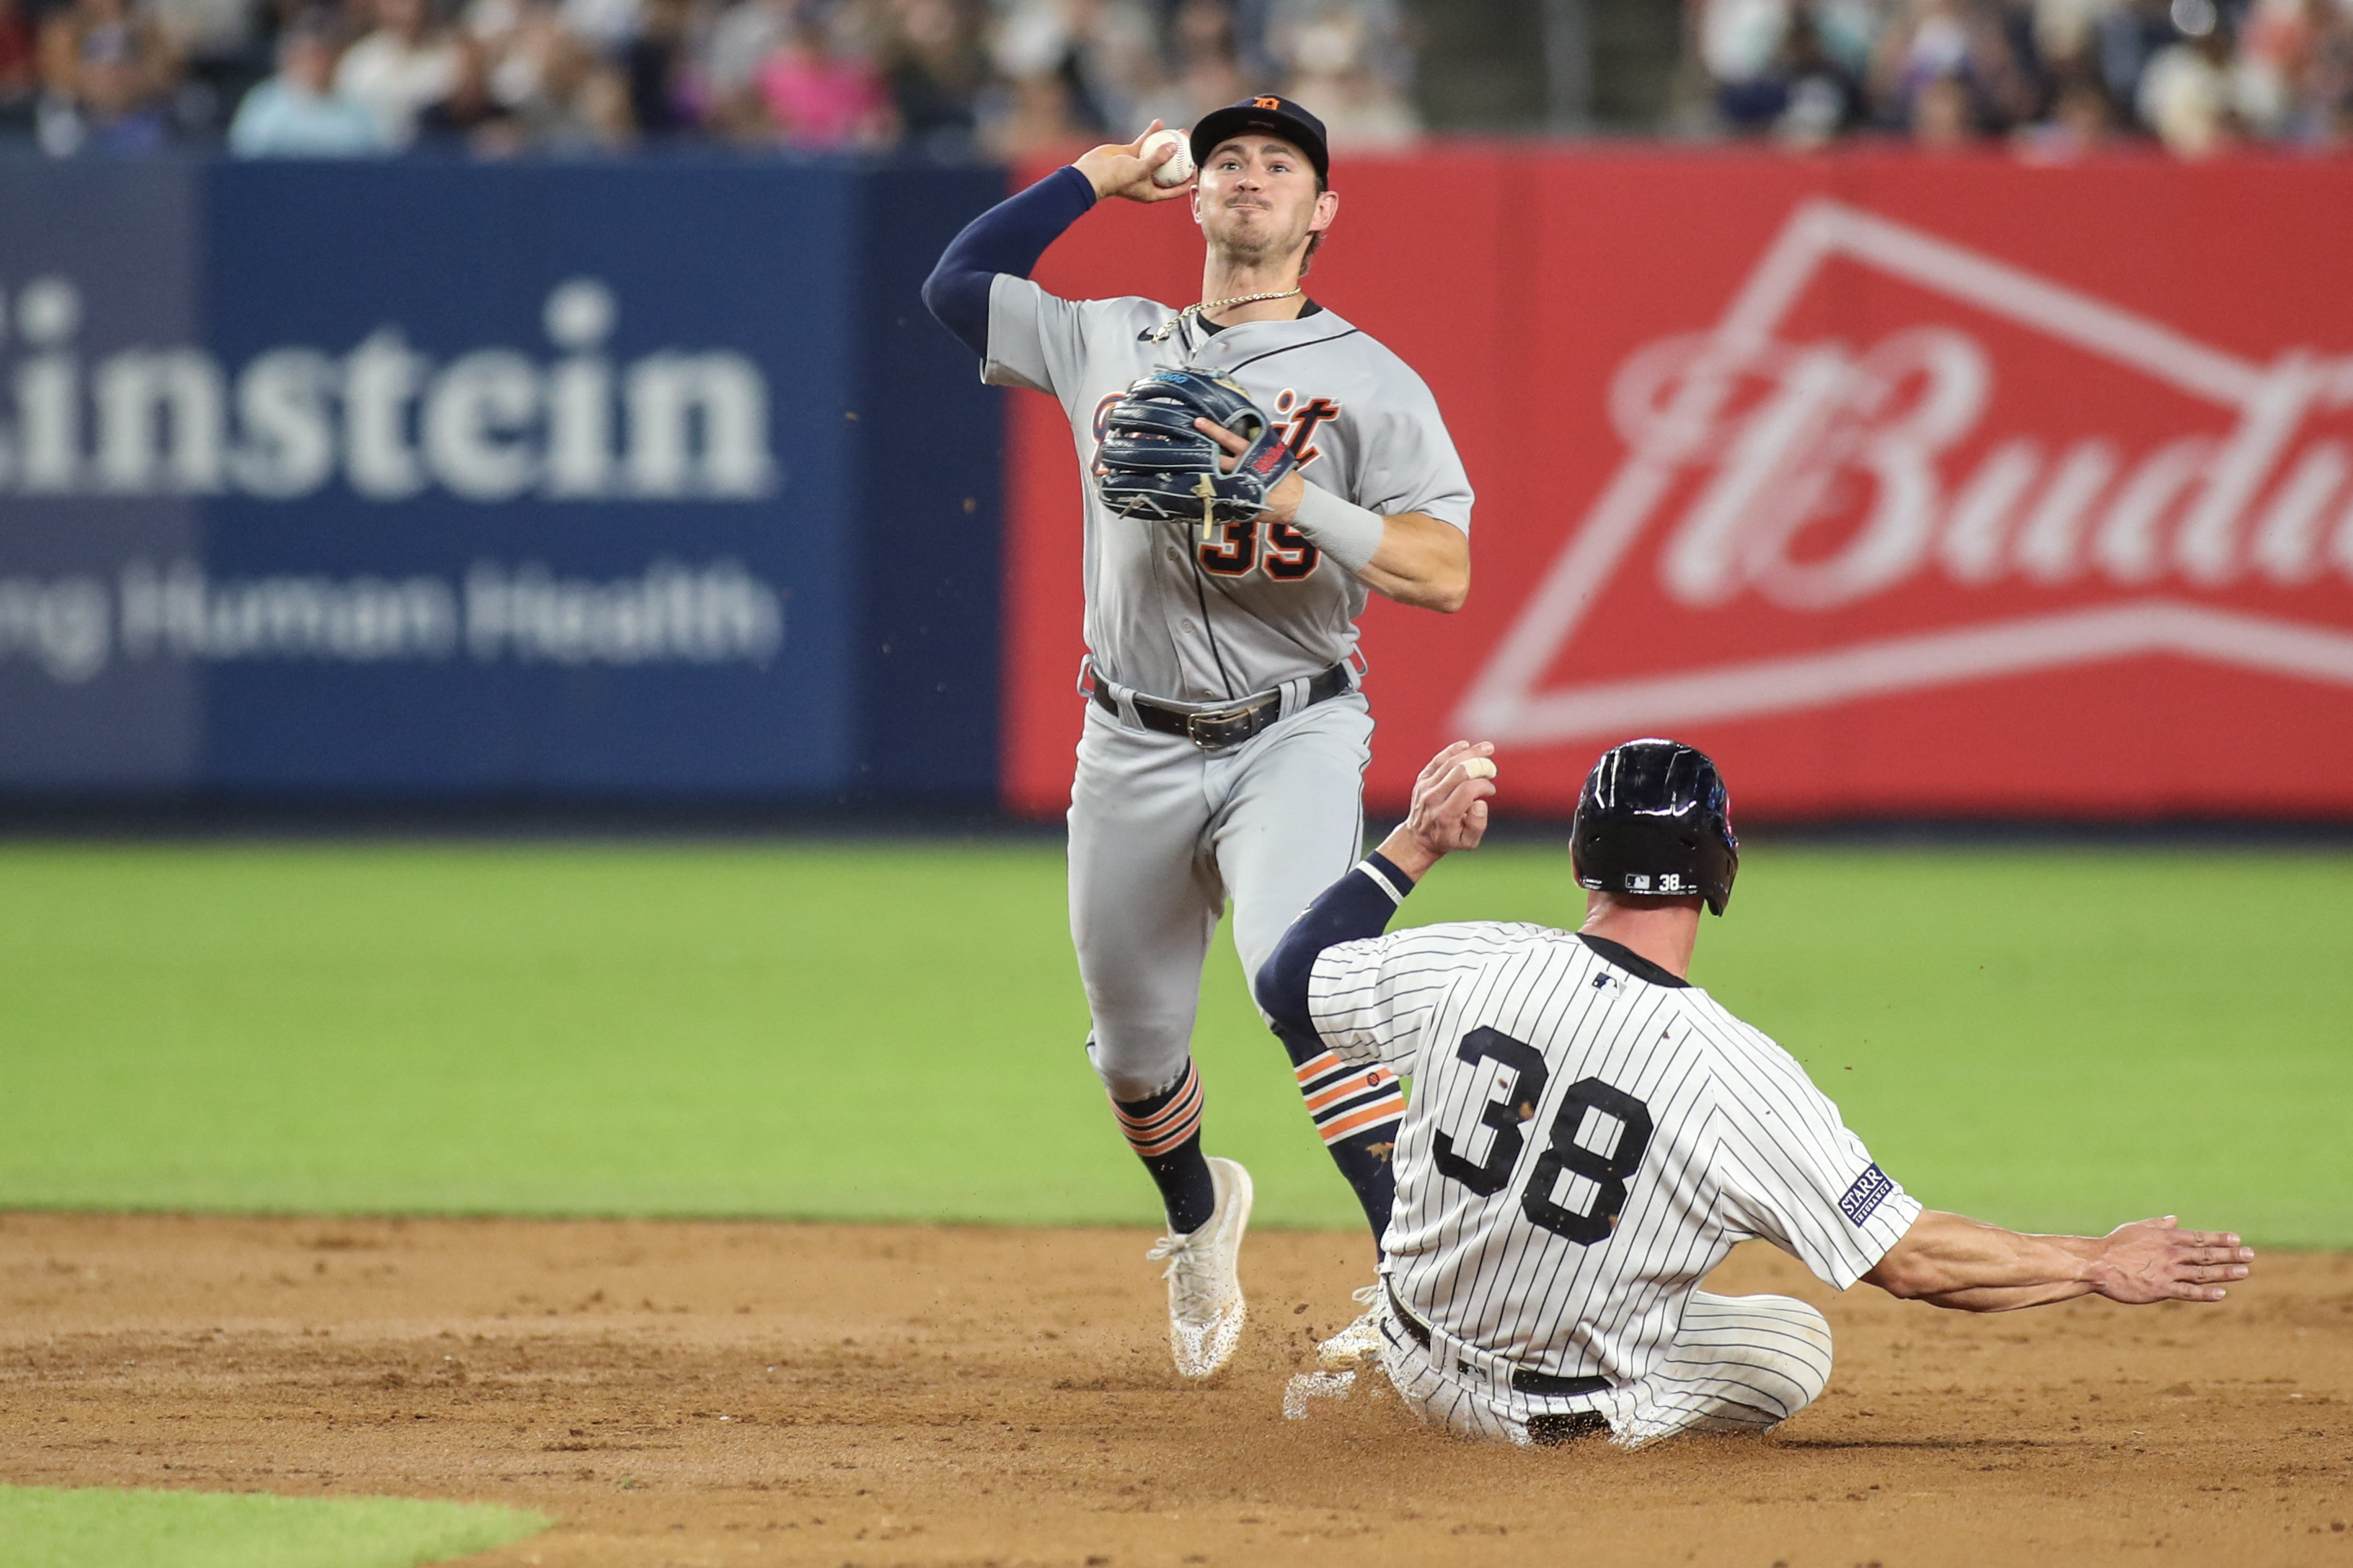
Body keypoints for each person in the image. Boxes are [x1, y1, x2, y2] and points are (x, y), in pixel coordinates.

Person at [1255, 737, 2255, 1447]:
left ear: (1578, 858)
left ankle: (1383, 1346)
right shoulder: (1736, 1075)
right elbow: (1909, 1260)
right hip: (1541, 1429)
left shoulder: (1475, 959)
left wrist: (1415, 843)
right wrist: (2089, 1261)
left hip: (1409, 1356)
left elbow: (1286, 981)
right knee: (1791, 1335)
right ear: (1718, 866)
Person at [921, 97, 1473, 1379]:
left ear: (1321, 209)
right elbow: (957, 284)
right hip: (1128, 737)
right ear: (1200, 192)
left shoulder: (1371, 382)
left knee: (1307, 985)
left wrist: (1280, 491)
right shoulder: (1107, 337)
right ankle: (1196, 1214)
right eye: (1228, 159)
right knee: (1130, 1051)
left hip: (1295, 727)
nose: (1248, 176)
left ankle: (1419, 1288)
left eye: (1281, 165)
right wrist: (1091, 177)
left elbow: (1442, 571)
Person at [228, 15, 389, 156]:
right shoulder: (265, 104)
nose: (317, 64)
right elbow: (246, 159)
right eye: (311, 54)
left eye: (325, 54)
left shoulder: (357, 111)